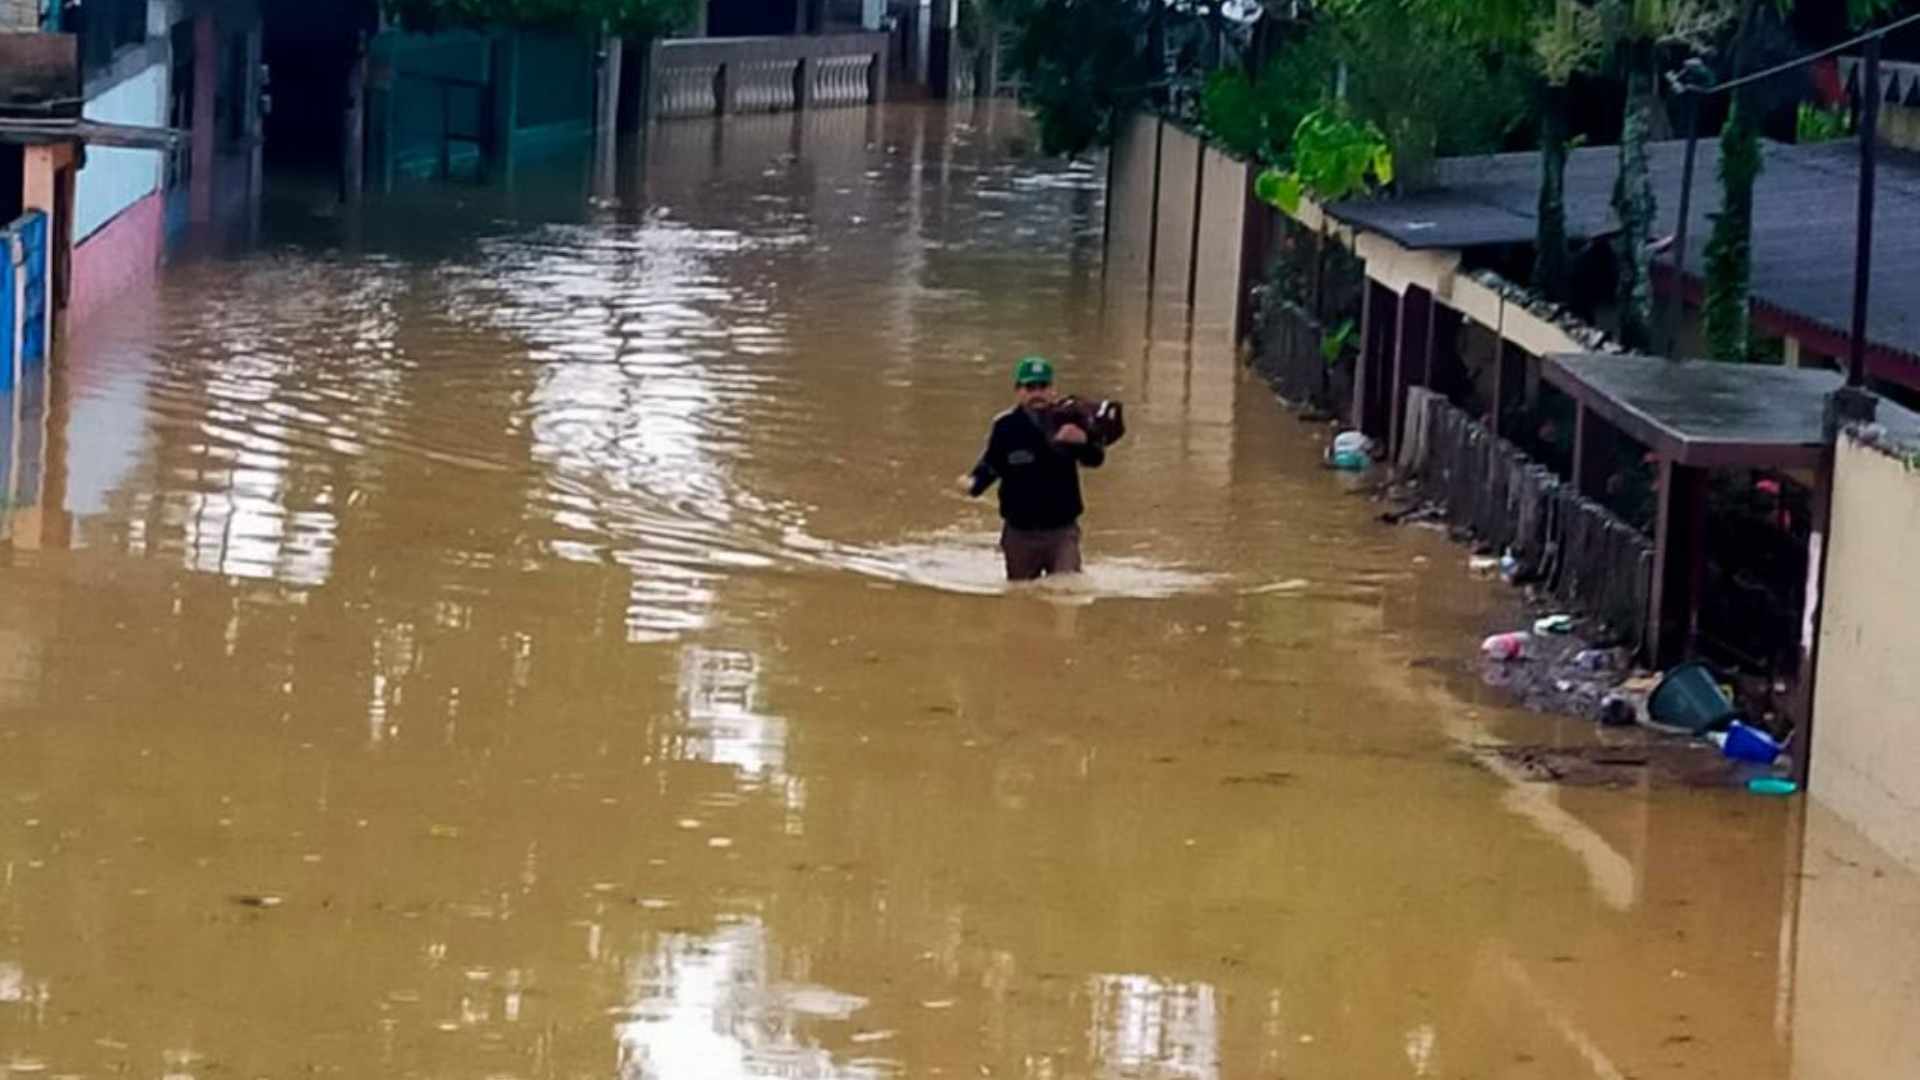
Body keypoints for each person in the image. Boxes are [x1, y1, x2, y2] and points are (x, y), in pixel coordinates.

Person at [958, 356, 1105, 580]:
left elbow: (1095, 459)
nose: (1037, 393)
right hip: (1019, 532)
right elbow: (992, 464)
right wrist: (973, 483)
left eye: (1043, 386)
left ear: (1053, 389)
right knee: (1020, 599)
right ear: (1018, 391)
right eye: (1030, 387)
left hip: (1062, 531)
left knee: (1066, 593)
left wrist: (1082, 441)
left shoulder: (1071, 420)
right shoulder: (1005, 426)